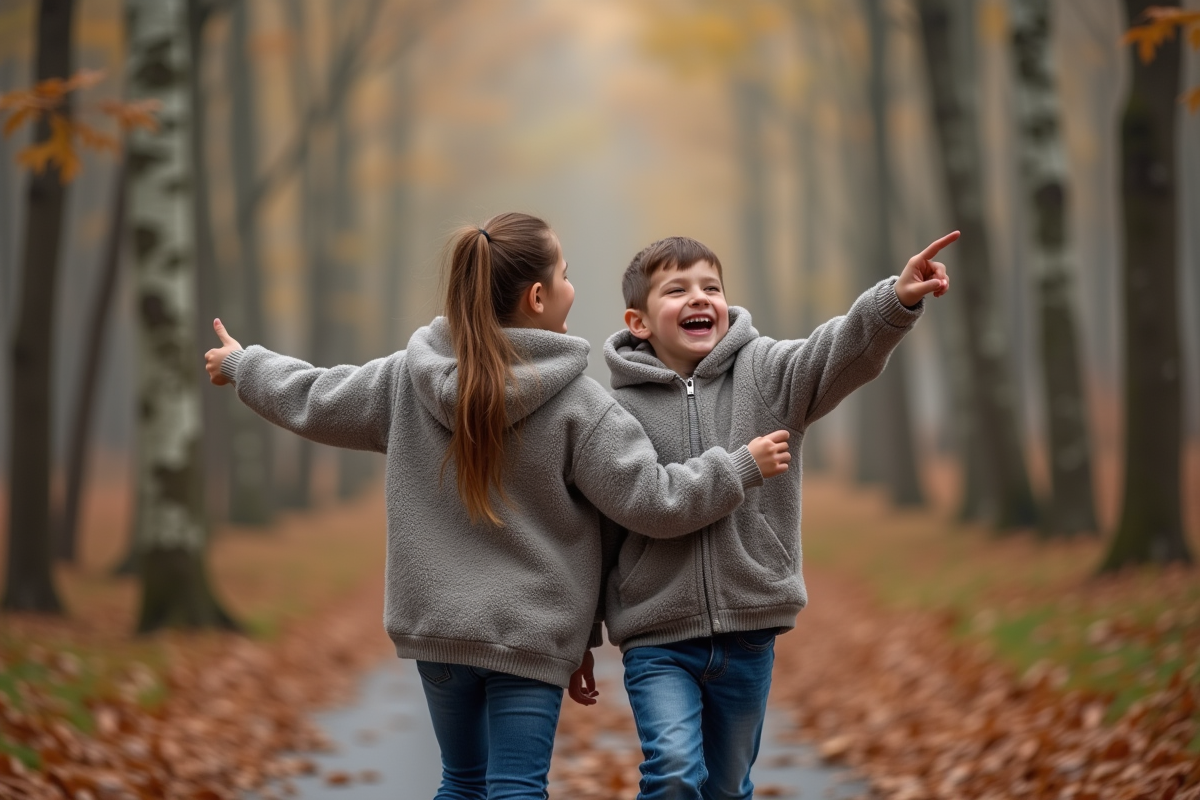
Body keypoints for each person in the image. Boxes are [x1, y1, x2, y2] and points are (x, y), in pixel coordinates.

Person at [203, 212, 793, 800]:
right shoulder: (580, 406)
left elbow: (314, 396)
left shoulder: (410, 378)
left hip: (436, 632)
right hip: (529, 638)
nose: (571, 287)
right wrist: (739, 466)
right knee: (516, 788)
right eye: (565, 276)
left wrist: (243, 365)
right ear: (538, 297)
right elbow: (652, 503)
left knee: (460, 782)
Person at [598, 230, 959, 800]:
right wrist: (579, 639)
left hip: (749, 629)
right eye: (676, 290)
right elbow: (605, 524)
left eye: (710, 287)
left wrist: (897, 300)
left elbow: (839, 351)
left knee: (726, 786)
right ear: (639, 321)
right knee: (671, 771)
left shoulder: (765, 373)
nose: (698, 298)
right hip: (657, 634)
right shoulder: (614, 412)